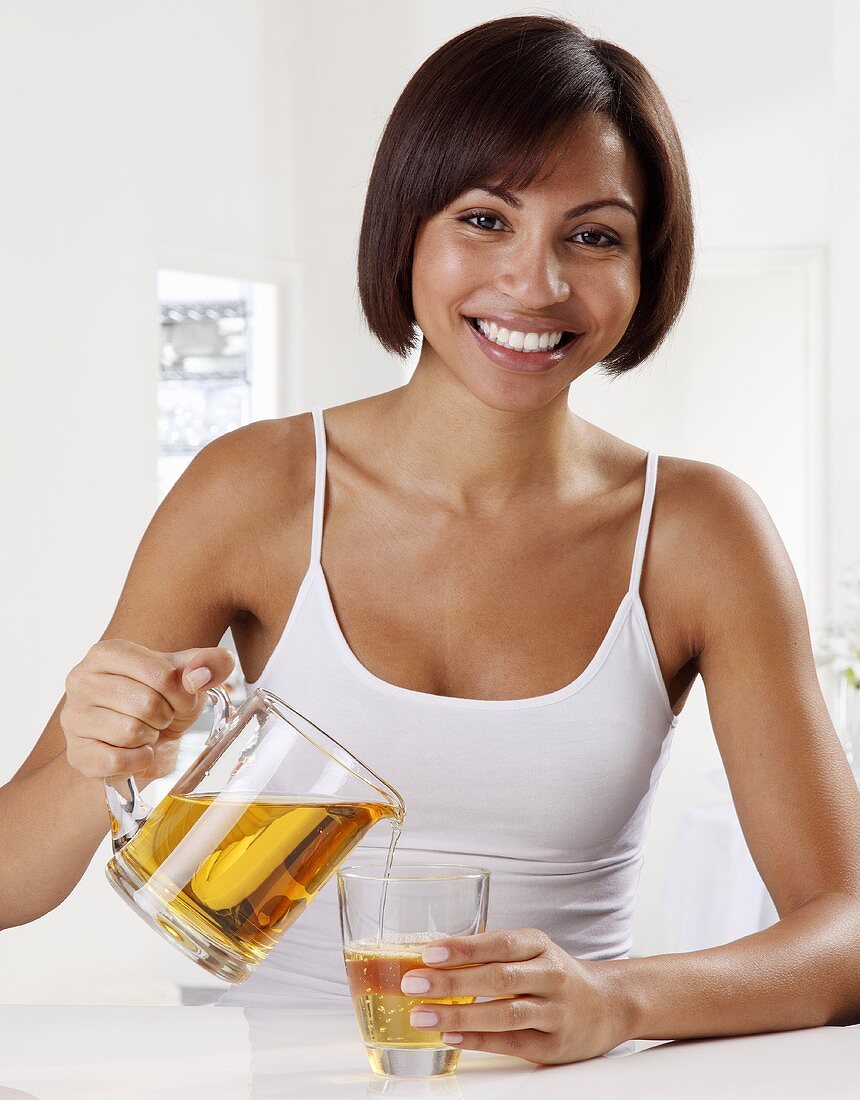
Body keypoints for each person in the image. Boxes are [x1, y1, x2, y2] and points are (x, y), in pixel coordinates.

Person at [2, 14, 858, 1066]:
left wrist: (615, 999)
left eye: (591, 235)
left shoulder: (694, 530)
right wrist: (104, 759)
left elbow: (845, 928)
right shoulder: (256, 488)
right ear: (406, 226)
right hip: (282, 1078)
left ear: (645, 267)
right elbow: (10, 882)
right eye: (484, 219)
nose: (535, 284)